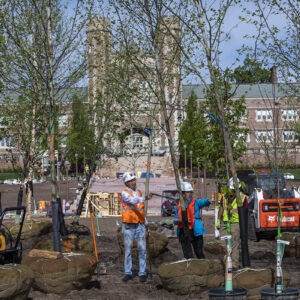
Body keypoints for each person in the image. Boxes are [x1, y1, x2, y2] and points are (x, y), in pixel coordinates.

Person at [120, 172, 152, 283]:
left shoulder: (139, 192)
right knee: (128, 249)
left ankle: (142, 272)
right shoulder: (124, 193)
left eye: (134, 180)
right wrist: (145, 198)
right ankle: (128, 272)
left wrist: (146, 222)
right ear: (126, 183)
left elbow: (141, 210)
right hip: (129, 224)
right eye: (131, 181)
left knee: (142, 248)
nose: (134, 182)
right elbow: (133, 201)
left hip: (140, 224)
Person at [175, 182, 214, 259]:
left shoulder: (195, 202)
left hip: (195, 230)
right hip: (184, 230)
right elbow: (176, 217)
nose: (189, 194)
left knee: (198, 251)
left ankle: (203, 265)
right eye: (187, 192)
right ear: (182, 194)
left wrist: (208, 201)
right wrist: (177, 221)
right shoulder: (179, 205)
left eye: (190, 192)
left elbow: (203, 202)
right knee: (186, 252)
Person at [216, 177, 248, 270]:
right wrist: (218, 220)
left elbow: (245, 212)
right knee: (223, 242)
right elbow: (221, 207)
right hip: (225, 222)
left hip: (235, 223)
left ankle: (234, 264)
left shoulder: (242, 197)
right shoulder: (225, 195)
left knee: (234, 244)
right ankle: (228, 259)